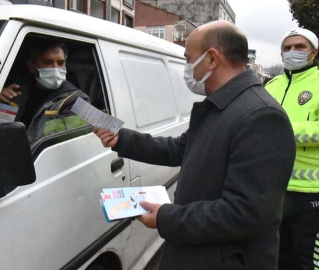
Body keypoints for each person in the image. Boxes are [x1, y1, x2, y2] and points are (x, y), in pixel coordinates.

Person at [94, 21, 296, 270]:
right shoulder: (222, 106)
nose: (187, 68)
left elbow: (245, 213)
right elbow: (179, 148)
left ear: (211, 59)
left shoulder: (262, 117)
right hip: (198, 253)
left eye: (189, 60)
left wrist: (166, 217)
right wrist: (122, 139)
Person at [265, 28, 319, 270]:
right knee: (275, 257)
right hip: (273, 188)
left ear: (313, 52)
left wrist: (283, 130)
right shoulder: (271, 86)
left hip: (311, 193)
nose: (292, 51)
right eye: (287, 47)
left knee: (307, 260)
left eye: (299, 47)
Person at [0, 41, 89, 141]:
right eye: (47, 62)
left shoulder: (77, 100)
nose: (55, 69)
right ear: (32, 67)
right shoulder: (17, 89)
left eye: (60, 63)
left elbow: (61, 144)